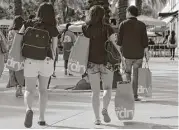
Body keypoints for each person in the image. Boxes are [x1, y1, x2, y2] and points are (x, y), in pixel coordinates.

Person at [68, 5, 115, 125]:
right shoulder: (108, 28)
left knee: (95, 92)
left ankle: (97, 118)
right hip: (107, 63)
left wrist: (80, 23)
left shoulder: (86, 28)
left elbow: (72, 28)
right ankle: (105, 108)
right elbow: (115, 44)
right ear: (103, 15)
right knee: (108, 88)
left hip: (91, 63)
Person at [20, 2, 59, 128]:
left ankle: (28, 109)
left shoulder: (28, 23)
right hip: (46, 60)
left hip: (30, 59)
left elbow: (19, 38)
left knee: (29, 90)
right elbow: (54, 48)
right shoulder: (52, 27)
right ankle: (42, 118)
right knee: (43, 90)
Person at [117, 6, 149, 101]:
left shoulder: (123, 24)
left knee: (127, 74)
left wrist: (119, 55)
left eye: (127, 12)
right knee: (136, 76)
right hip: (138, 55)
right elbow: (145, 41)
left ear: (129, 13)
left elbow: (119, 42)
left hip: (126, 55)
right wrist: (146, 53)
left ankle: (127, 95)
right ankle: (135, 96)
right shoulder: (142, 25)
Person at [6, 16, 25, 97]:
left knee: (13, 71)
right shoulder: (23, 32)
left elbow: (9, 44)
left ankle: (16, 87)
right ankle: (19, 88)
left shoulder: (11, 32)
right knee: (20, 71)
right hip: (21, 54)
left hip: (12, 54)